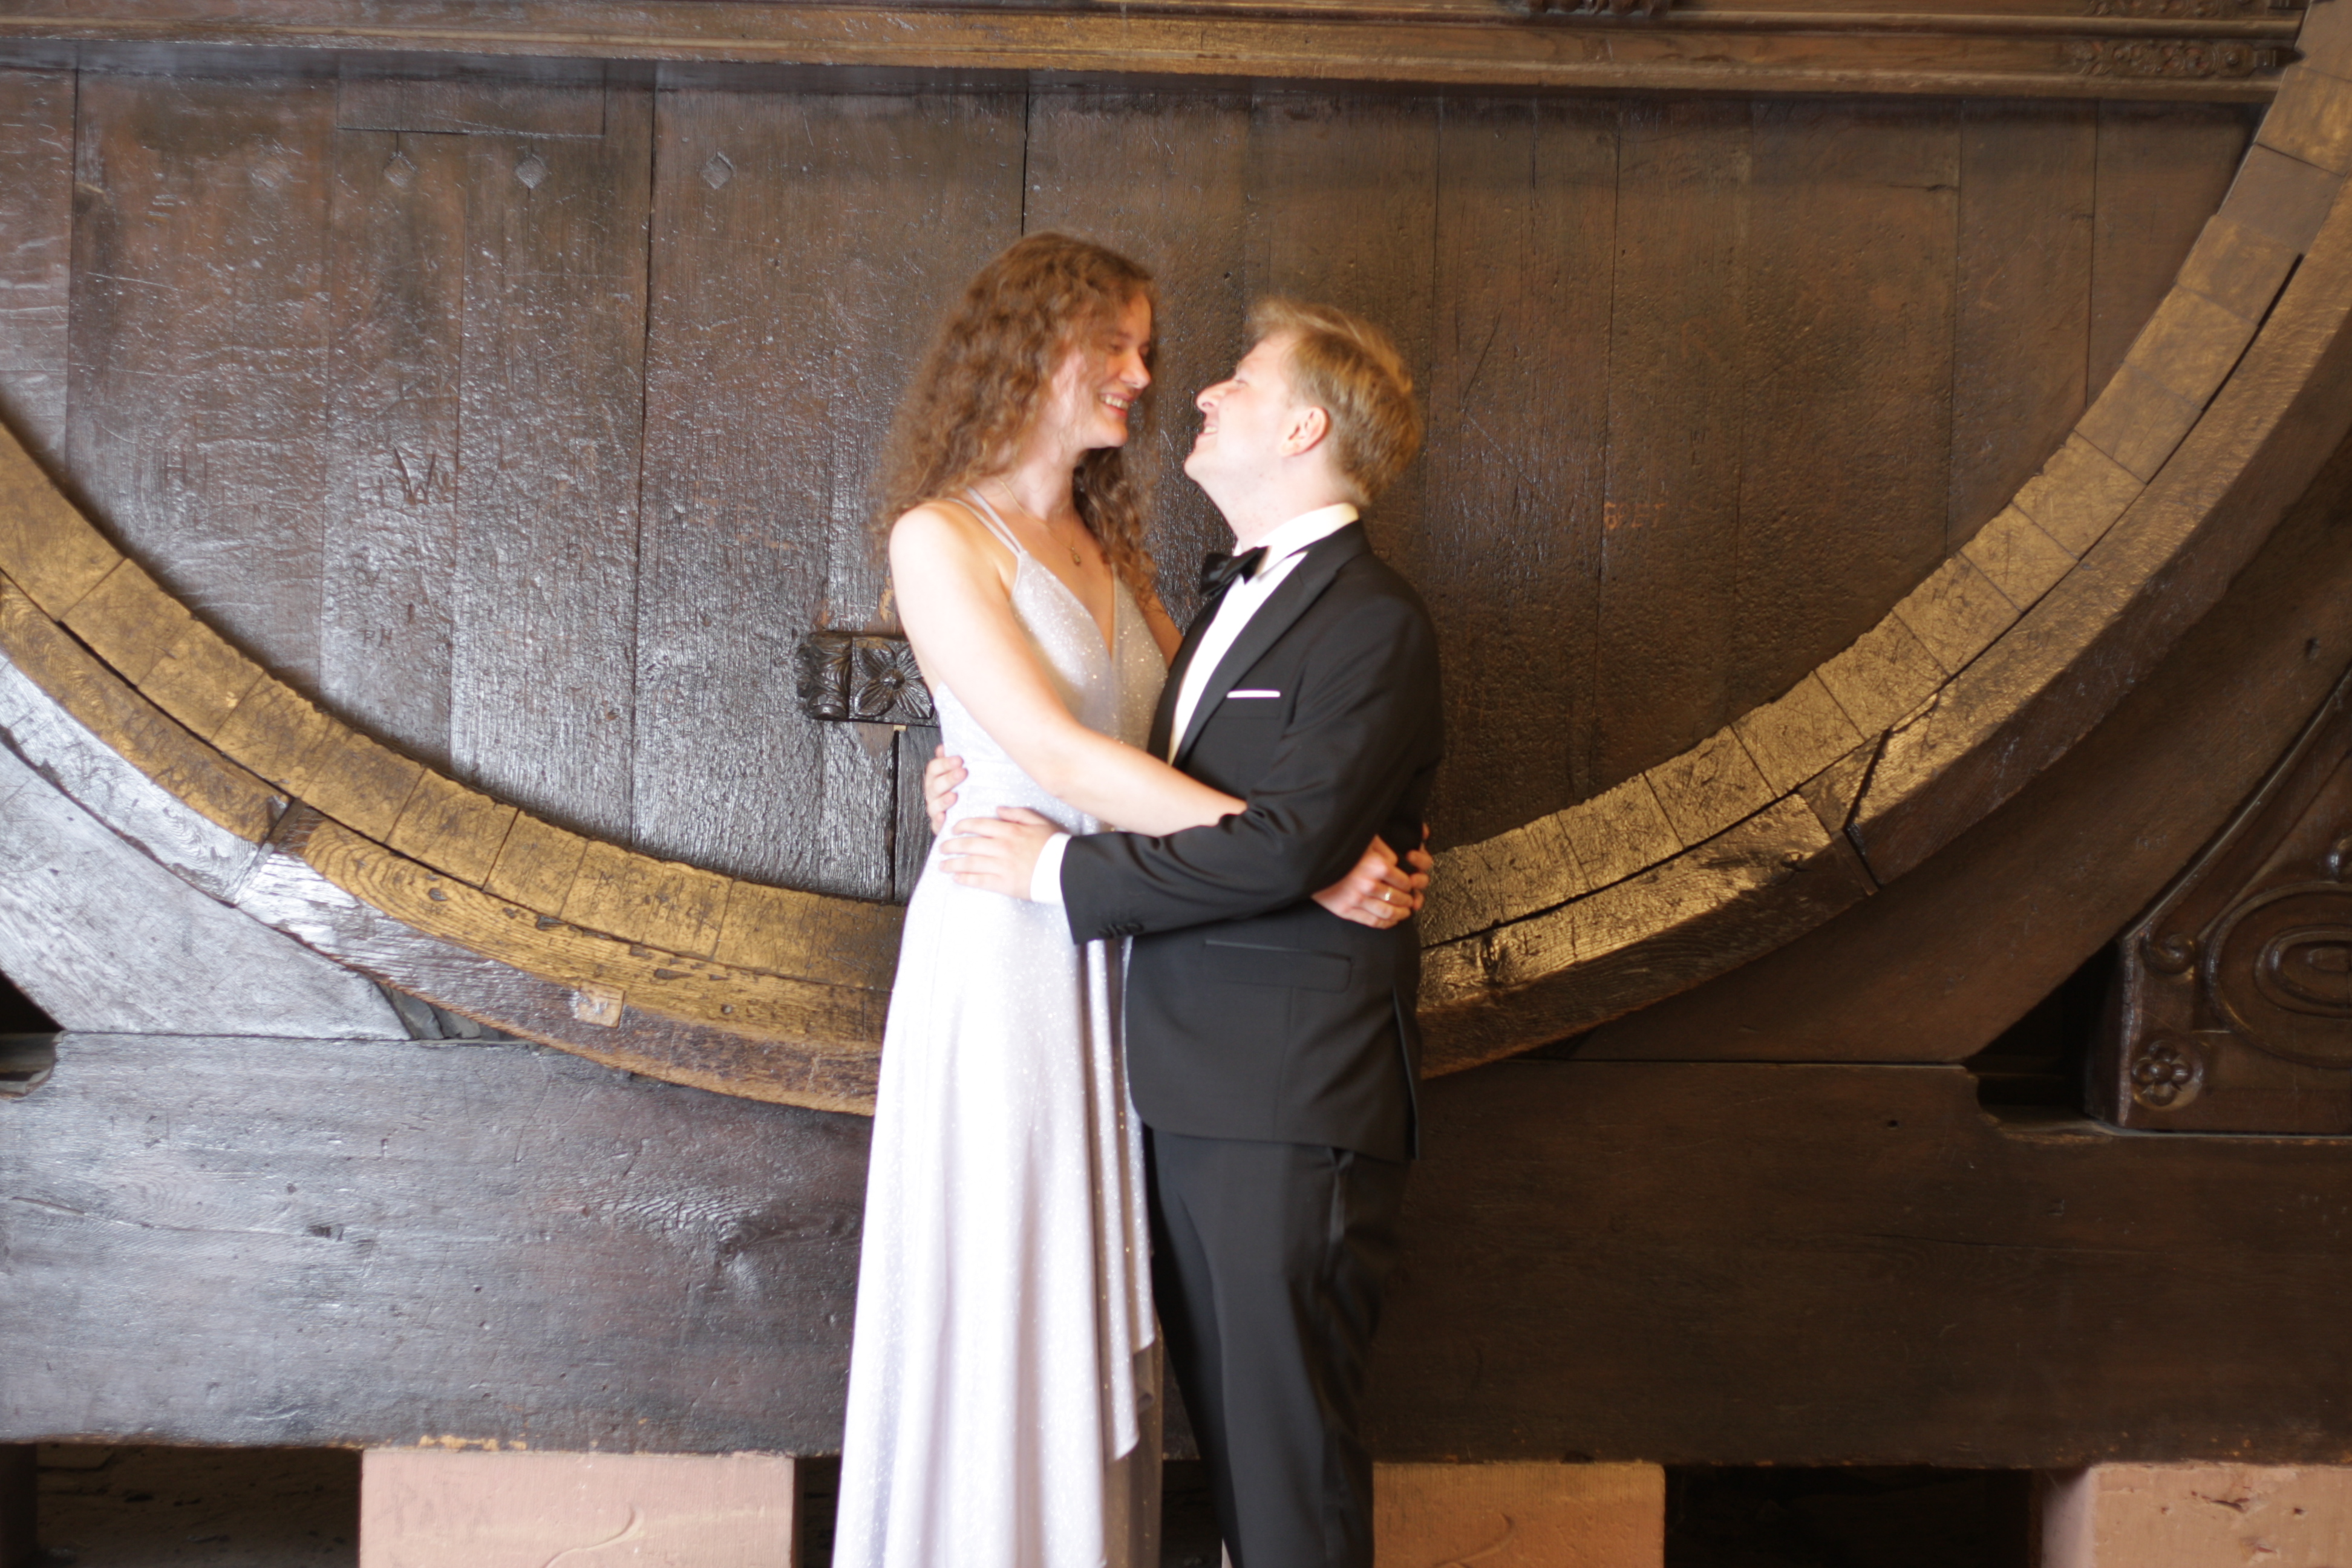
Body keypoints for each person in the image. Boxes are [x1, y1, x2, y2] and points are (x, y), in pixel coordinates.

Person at [832, 235, 1426, 1568]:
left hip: (1132, 953)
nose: (1146, 376)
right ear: (1032, 345)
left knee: (1098, 1296)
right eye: (1117, 344)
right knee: (1012, 1275)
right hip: (1010, 941)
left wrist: (1340, 835)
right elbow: (1054, 753)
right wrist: (1307, 854)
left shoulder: (1120, 554)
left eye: (1147, 350)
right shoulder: (939, 536)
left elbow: (1187, 755)